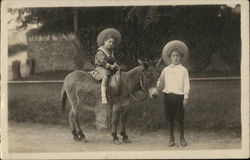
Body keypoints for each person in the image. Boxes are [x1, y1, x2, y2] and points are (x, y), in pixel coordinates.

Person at [157, 40, 190, 147]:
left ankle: (182, 137)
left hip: (179, 97)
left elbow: (186, 84)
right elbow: (160, 81)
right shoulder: (166, 70)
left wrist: (186, 97)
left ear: (181, 57)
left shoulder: (184, 70)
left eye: (177, 56)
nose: (175, 57)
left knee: (180, 118)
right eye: (173, 56)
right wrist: (157, 86)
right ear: (170, 57)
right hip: (168, 96)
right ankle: (171, 138)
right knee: (170, 117)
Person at [92, 28, 121, 104]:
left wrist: (115, 65)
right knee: (105, 77)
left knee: (119, 75)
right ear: (104, 41)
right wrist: (109, 66)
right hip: (101, 68)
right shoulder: (101, 51)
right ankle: (103, 95)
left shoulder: (111, 52)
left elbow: (113, 61)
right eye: (109, 42)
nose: (111, 44)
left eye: (113, 43)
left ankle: (115, 93)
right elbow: (101, 61)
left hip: (110, 69)